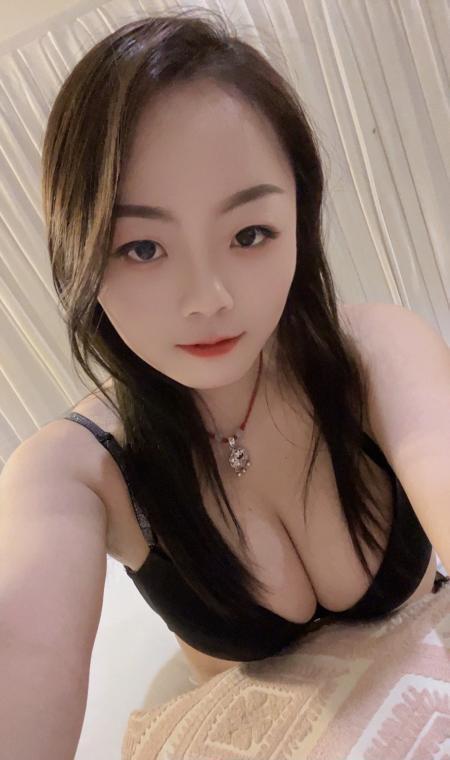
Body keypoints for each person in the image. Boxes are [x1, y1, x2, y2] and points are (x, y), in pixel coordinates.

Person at [1, 8, 447, 757]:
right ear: (79, 249)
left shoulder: (372, 356)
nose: (207, 298)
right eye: (143, 247)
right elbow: (19, 648)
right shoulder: (73, 470)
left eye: (249, 234)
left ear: (299, 220)